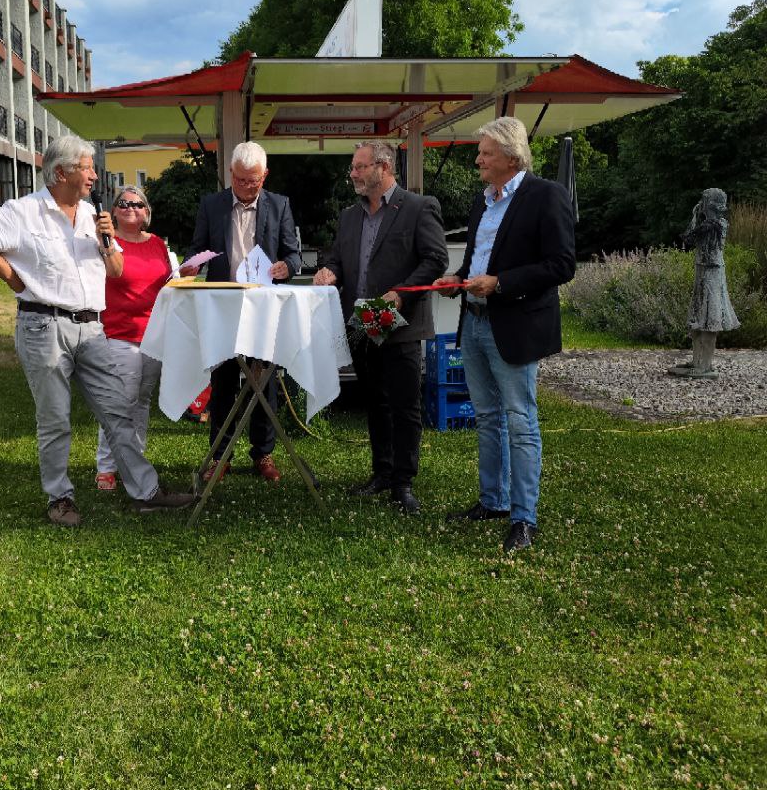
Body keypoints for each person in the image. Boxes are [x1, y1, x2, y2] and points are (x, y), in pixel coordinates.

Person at [0, 135, 195, 524]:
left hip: (93, 329)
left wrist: (107, 242)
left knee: (118, 411)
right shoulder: (25, 211)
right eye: (87, 168)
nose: (94, 176)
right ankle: (60, 498)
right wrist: (11, 276)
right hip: (44, 326)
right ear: (62, 171)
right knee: (55, 419)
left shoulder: (91, 214)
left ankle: (146, 492)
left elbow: (116, 270)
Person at [434, 116, 575, 552]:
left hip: (514, 324)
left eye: (485, 154)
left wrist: (501, 283)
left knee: (520, 420)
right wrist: (457, 279)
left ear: (511, 158)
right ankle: (493, 500)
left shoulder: (546, 195)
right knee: (487, 417)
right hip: (474, 321)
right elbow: (477, 260)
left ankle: (524, 518)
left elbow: (562, 265)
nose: (477, 160)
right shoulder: (483, 202)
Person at [312, 140, 448, 515]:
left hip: (401, 324)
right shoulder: (349, 216)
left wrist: (401, 294)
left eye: (360, 167)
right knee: (375, 402)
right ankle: (382, 473)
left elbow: (435, 259)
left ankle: (403, 482)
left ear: (383, 167)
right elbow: (338, 259)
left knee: (405, 405)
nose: (353, 174)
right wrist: (330, 272)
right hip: (361, 325)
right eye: (353, 167)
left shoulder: (419, 207)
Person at [180, 141, 301, 482]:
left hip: (263, 308)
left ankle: (263, 453)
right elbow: (197, 248)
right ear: (230, 173)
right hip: (223, 306)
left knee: (264, 382)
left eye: (254, 180)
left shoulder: (279, 204)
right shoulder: (212, 204)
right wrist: (191, 265)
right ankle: (221, 454)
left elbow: (293, 253)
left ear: (266, 175)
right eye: (241, 180)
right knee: (223, 382)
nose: (247, 187)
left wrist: (286, 267)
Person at [94, 184, 172, 491]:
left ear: (147, 212)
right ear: (114, 211)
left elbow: (166, 281)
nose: (131, 208)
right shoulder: (105, 241)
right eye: (124, 203)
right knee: (120, 402)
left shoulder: (157, 244)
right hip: (118, 332)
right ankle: (106, 466)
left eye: (137, 204)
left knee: (141, 400)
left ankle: (134, 460)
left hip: (153, 333)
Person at [669, 187, 739, 378]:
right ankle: (697, 361)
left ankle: (705, 365)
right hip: (704, 273)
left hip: (712, 276)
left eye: (703, 201)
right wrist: (696, 215)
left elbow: (689, 238)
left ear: (710, 204)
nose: (700, 204)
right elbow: (690, 238)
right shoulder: (710, 224)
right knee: (698, 320)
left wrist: (694, 215)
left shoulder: (715, 224)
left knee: (709, 320)